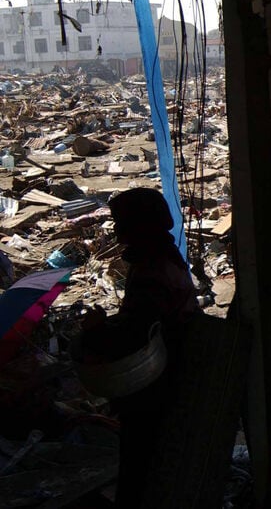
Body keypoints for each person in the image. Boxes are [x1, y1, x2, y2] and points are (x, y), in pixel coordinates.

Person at [88, 188, 199, 507]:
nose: (116, 229)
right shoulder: (163, 255)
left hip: (156, 382)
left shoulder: (151, 270)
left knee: (142, 465)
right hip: (171, 373)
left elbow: (136, 335)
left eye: (120, 221)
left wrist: (99, 331)